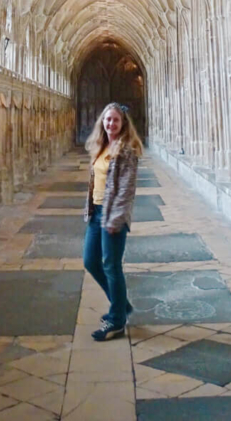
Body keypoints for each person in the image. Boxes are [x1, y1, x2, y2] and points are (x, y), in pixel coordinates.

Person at [83, 102, 143, 341]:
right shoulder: (101, 146)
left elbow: (126, 190)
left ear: (123, 123)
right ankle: (121, 305)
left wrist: (115, 219)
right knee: (90, 261)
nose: (111, 123)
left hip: (112, 217)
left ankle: (116, 319)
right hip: (96, 212)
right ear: (102, 122)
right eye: (108, 119)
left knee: (111, 265)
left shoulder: (126, 150)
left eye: (115, 120)